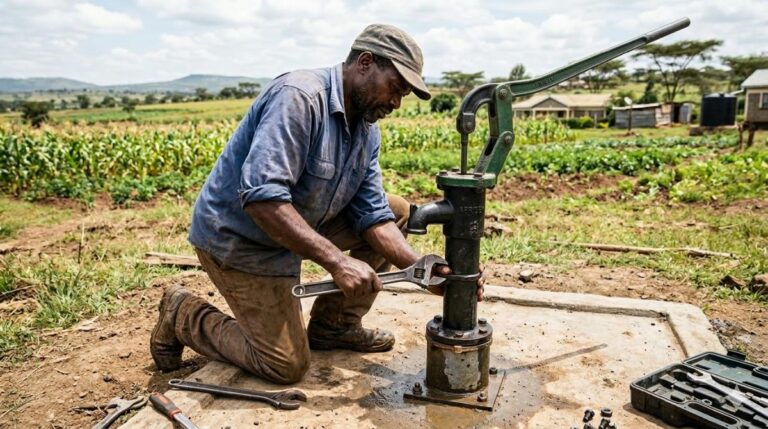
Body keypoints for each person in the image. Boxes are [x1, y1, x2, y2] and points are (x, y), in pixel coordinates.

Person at [149, 24, 483, 385]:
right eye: (396, 88)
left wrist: (420, 268)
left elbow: (372, 214)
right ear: (365, 63)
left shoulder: (367, 130)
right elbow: (261, 198)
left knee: (396, 210)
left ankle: (333, 327)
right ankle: (182, 312)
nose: (396, 103)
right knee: (284, 365)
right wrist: (337, 262)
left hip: (301, 221)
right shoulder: (299, 97)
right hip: (243, 240)